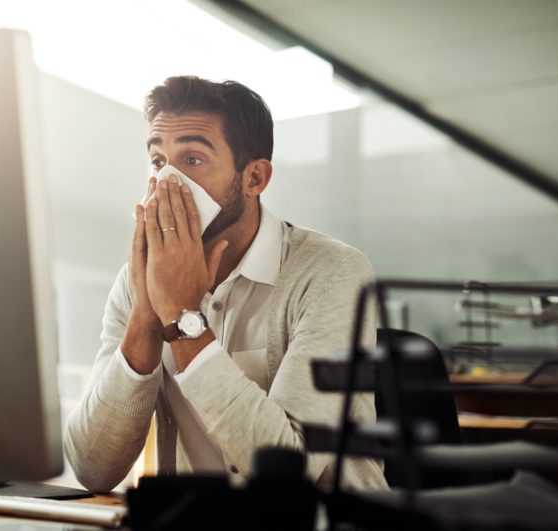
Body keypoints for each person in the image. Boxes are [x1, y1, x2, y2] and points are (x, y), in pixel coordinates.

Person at [64, 75, 387, 492]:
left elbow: (290, 473)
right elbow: (93, 468)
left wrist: (182, 320)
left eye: (193, 160)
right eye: (160, 162)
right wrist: (146, 314)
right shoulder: (139, 279)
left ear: (254, 178)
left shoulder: (332, 271)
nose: (168, 183)